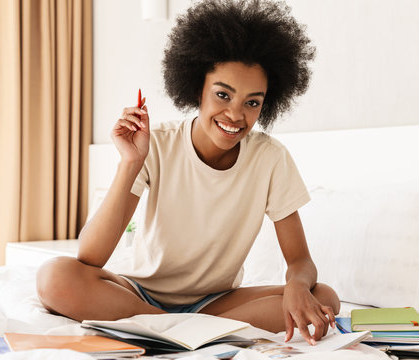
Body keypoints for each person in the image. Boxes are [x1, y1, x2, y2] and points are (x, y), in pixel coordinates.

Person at [36, 0, 340, 344]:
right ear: (197, 88)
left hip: (215, 302)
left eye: (252, 102)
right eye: (223, 94)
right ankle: (184, 330)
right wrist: (130, 162)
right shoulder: (158, 144)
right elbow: (89, 257)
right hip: (137, 293)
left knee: (324, 296)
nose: (236, 115)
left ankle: (166, 330)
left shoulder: (270, 158)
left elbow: (300, 260)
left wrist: (297, 286)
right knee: (54, 277)